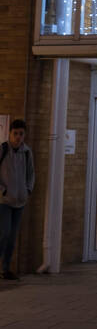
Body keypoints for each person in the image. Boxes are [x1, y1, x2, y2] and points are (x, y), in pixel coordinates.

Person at [0, 119, 36, 281]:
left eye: (21, 134)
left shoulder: (27, 152)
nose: (18, 137)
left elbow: (31, 174)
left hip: (20, 201)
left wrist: (28, 189)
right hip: (4, 201)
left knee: (13, 237)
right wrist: (3, 190)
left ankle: (6, 269)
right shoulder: (3, 150)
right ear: (10, 133)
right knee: (4, 234)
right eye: (15, 134)